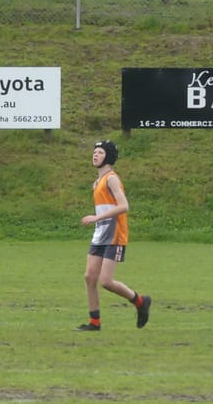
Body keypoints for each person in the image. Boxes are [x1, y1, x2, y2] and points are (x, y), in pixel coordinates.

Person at [77, 139, 152, 332]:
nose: (95, 155)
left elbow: (124, 206)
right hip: (101, 233)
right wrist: (98, 222)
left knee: (106, 282)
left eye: (100, 152)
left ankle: (140, 301)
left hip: (115, 234)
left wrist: (96, 217)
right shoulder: (97, 181)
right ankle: (94, 323)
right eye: (95, 152)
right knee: (89, 277)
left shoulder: (111, 178)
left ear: (109, 157)